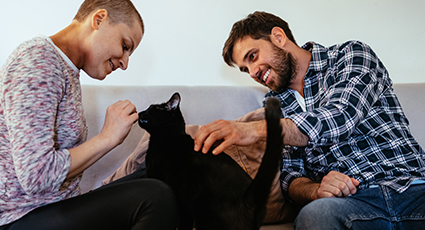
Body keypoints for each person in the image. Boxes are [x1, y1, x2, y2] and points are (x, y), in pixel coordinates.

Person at [194, 11, 425, 229]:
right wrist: (315, 191)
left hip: (412, 188)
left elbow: (339, 117)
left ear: (278, 37)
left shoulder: (350, 55)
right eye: (246, 69)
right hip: (351, 203)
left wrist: (254, 130)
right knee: (314, 215)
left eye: (253, 56)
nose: (253, 72)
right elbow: (291, 176)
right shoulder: (274, 104)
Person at [0, 0, 177, 229]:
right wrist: (107, 138)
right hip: (20, 218)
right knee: (156, 197)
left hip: (53, 208)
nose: (125, 63)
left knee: (162, 174)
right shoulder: (39, 62)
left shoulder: (66, 70)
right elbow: (37, 175)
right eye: (125, 46)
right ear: (99, 19)